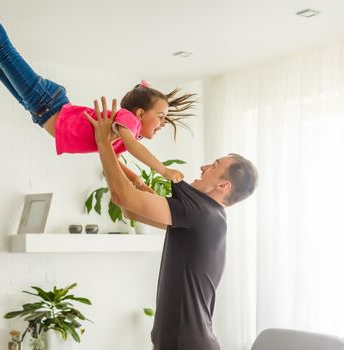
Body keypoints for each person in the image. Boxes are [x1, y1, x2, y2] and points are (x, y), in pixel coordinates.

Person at [0, 0, 197, 188]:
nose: (162, 123)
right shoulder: (127, 120)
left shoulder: (123, 136)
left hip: (39, 110)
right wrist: (162, 170)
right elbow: (136, 148)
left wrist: (133, 179)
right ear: (140, 113)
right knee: (6, 53)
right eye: (161, 116)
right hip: (48, 102)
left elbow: (110, 161)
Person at [85, 97, 258, 350]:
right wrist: (110, 152)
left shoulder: (201, 212)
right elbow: (131, 210)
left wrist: (103, 143)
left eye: (214, 166)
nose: (203, 166)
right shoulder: (208, 215)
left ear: (223, 186)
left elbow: (124, 198)